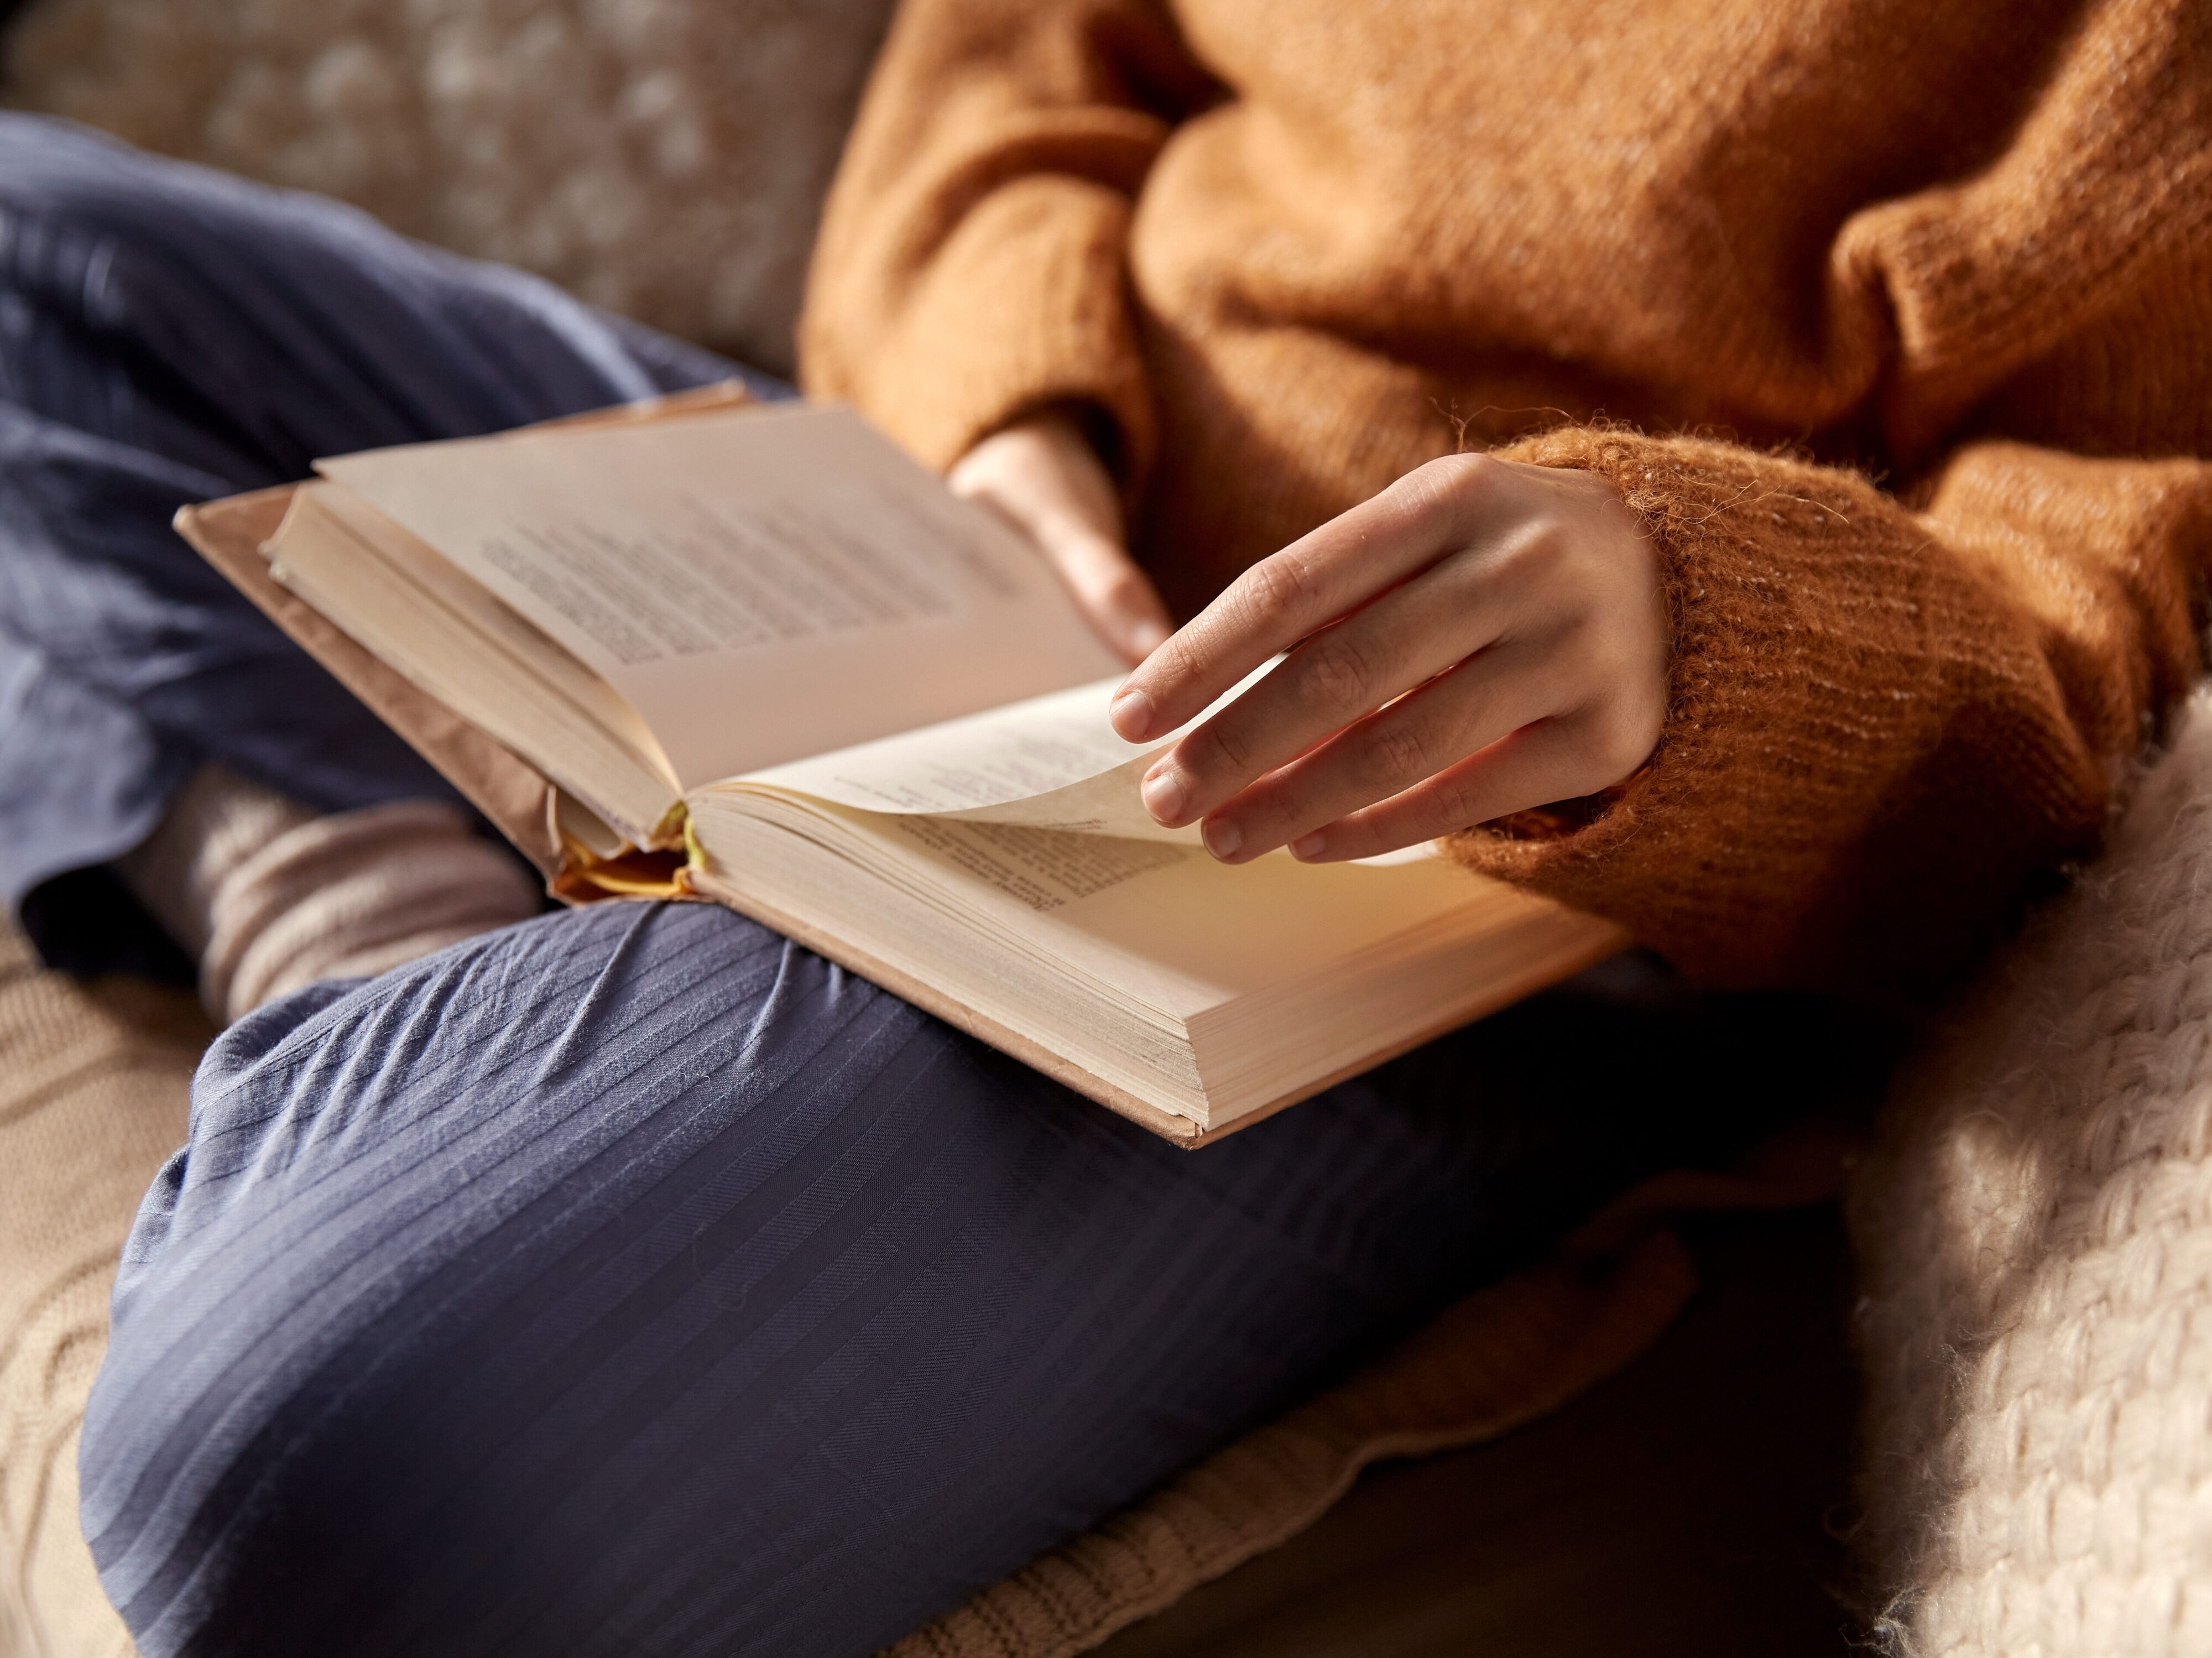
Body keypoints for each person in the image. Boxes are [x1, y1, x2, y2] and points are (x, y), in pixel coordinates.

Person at [4, 0, 2203, 1653]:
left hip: (1436, 895)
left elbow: (2078, 648)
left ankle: (417, 954)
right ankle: (380, 927)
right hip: (951, 552)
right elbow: (1021, 54)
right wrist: (1010, 417)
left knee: (291, 1456)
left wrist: (1693, 629)